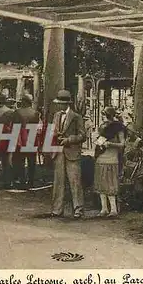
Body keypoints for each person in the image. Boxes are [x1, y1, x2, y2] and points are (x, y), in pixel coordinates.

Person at [50, 90, 86, 218]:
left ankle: (78, 209)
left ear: (66, 103)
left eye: (61, 103)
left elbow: (83, 135)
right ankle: (57, 209)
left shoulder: (76, 117)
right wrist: (55, 135)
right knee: (58, 181)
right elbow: (53, 130)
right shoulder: (56, 115)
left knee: (74, 181)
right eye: (58, 103)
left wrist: (69, 139)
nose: (59, 106)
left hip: (72, 152)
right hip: (59, 153)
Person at [94, 107, 126, 217]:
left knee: (110, 183)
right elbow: (99, 140)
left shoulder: (118, 127)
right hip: (101, 157)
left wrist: (111, 144)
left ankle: (113, 209)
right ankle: (104, 208)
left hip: (112, 158)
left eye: (104, 115)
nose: (103, 117)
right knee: (101, 182)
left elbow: (122, 144)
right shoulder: (103, 127)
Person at [11, 93, 40, 189]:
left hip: (21, 138)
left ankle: (22, 180)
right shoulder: (35, 113)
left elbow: (15, 127)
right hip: (32, 137)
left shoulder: (17, 112)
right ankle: (31, 181)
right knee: (31, 161)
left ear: (24, 102)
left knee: (20, 161)